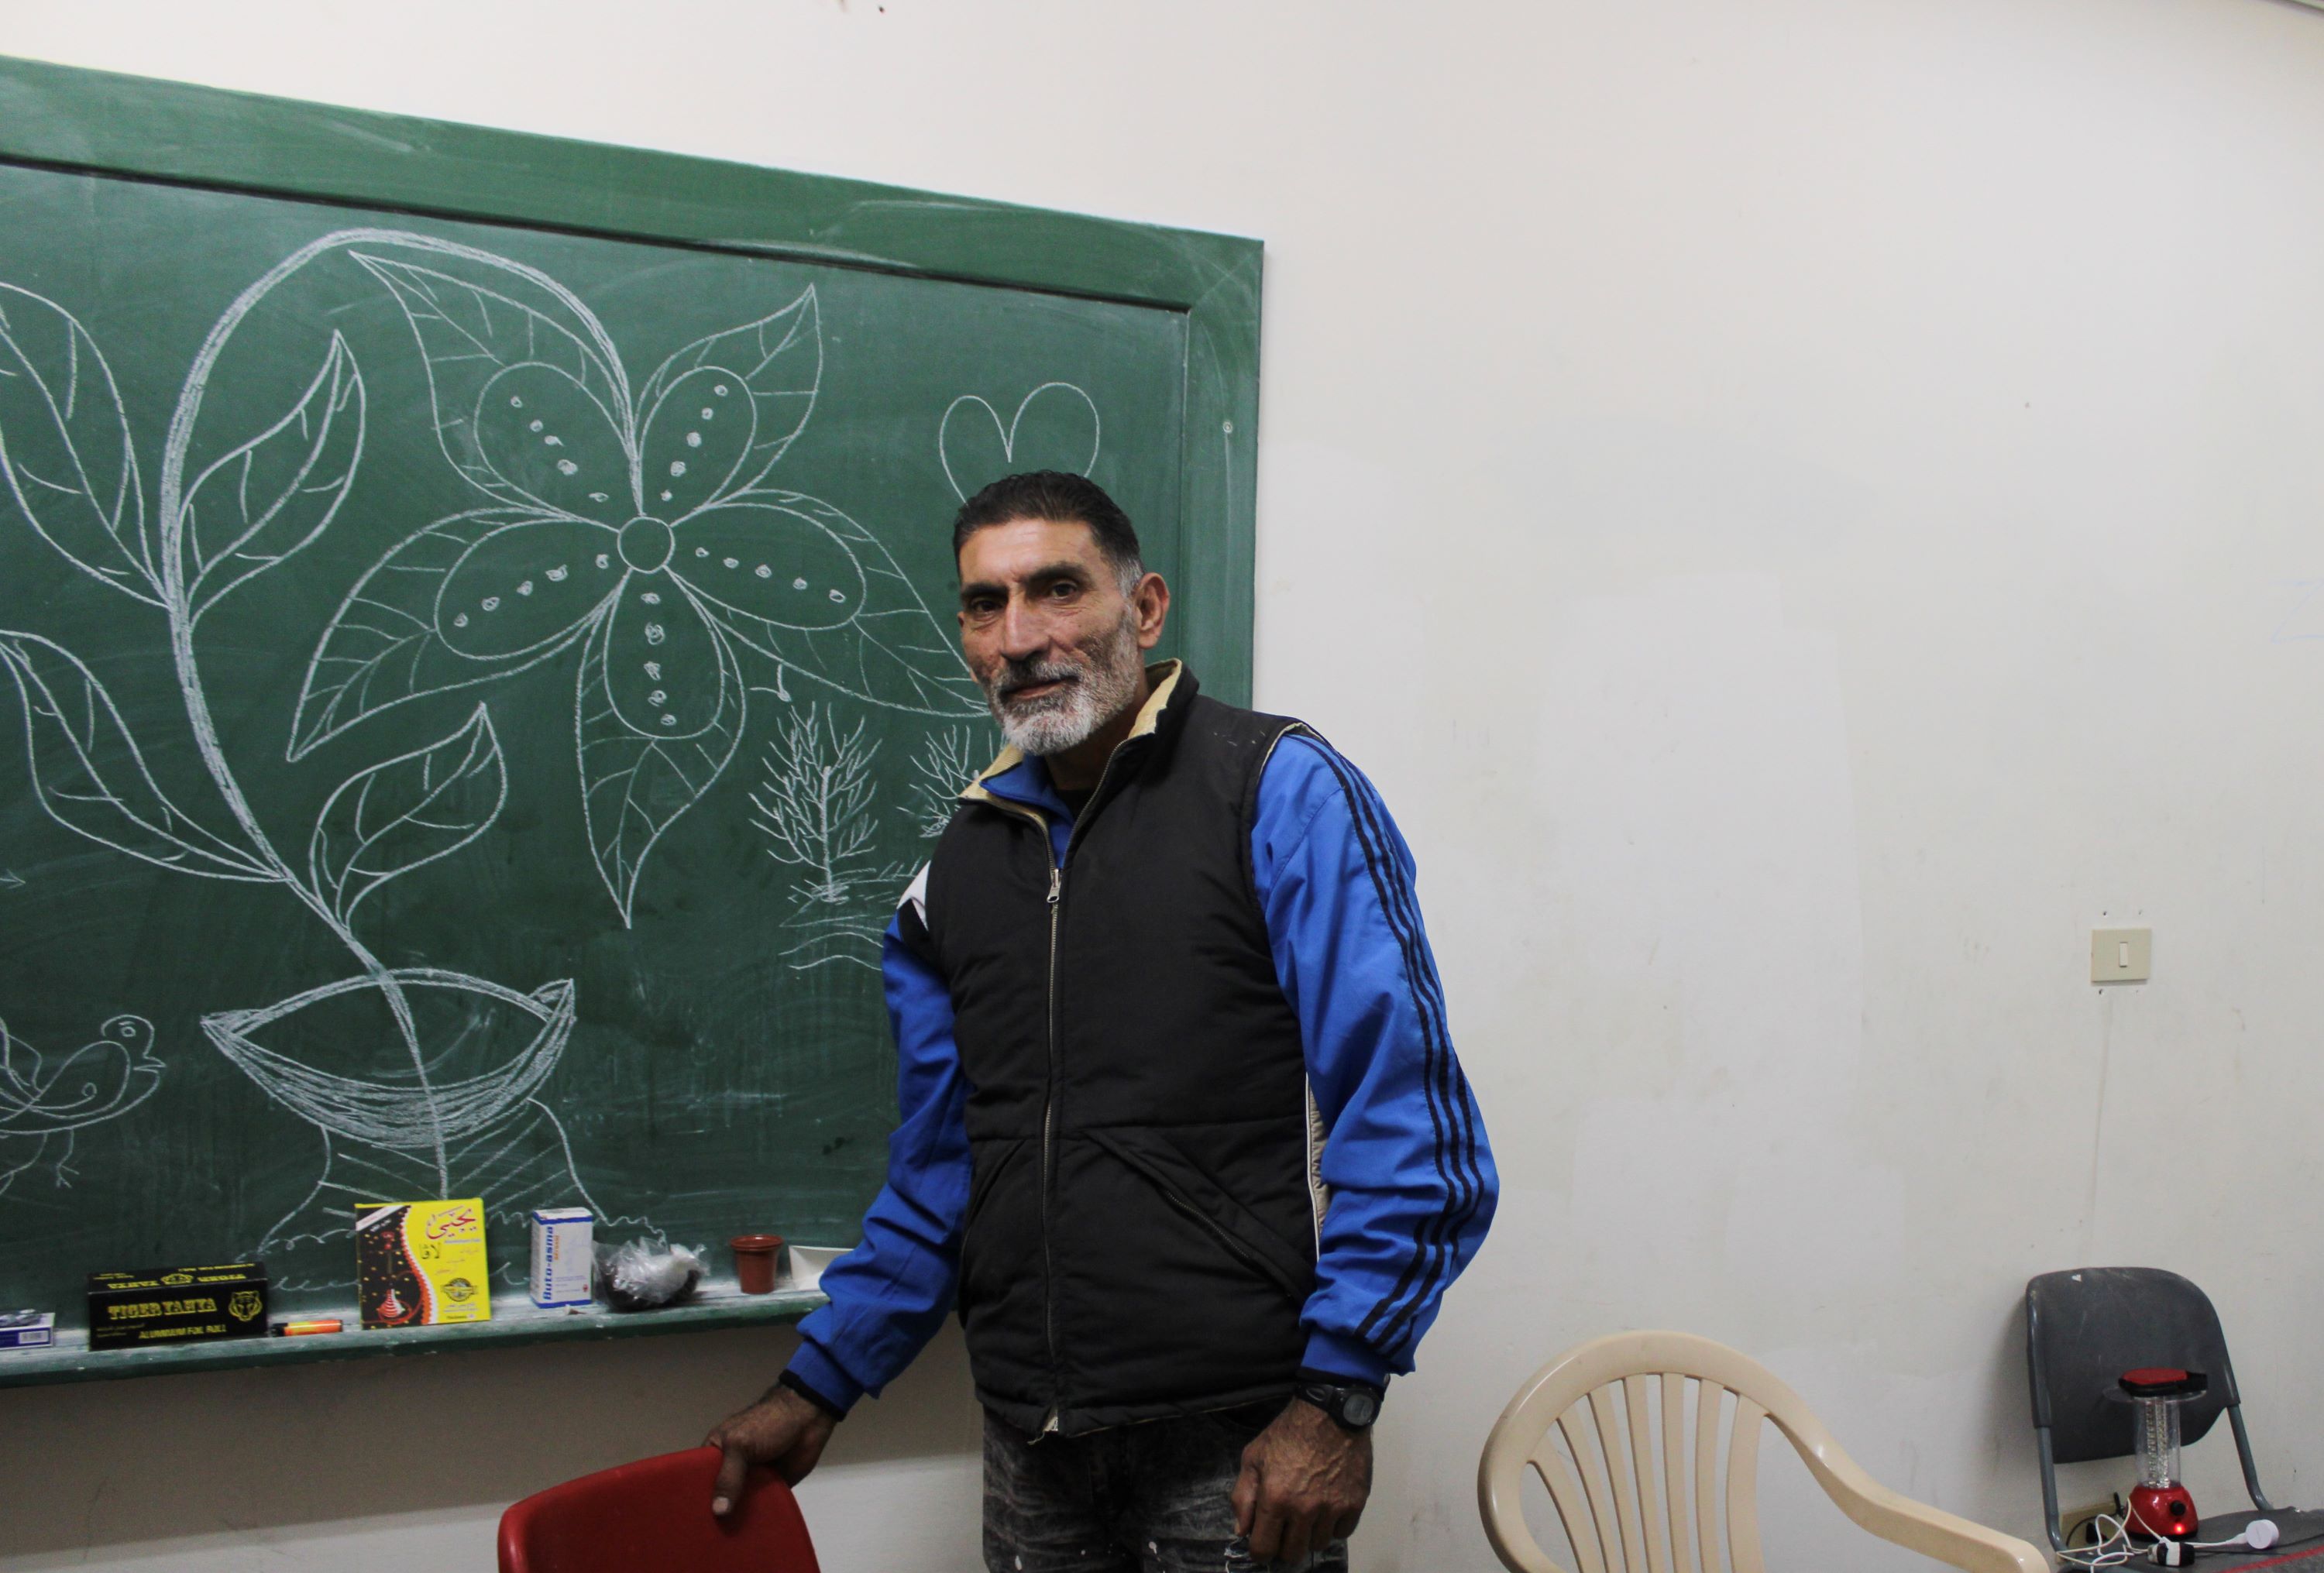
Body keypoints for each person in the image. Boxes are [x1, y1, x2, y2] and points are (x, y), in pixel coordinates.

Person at [706, 472, 1496, 1571]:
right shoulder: (959, 867)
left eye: (1058, 589)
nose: (1020, 637)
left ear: (1145, 606)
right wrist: (819, 1382)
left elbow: (1411, 1123)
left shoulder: (1278, 791)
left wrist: (1337, 1400)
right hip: (1031, 1446)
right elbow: (944, 1168)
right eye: (985, 604)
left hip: (1244, 1443)